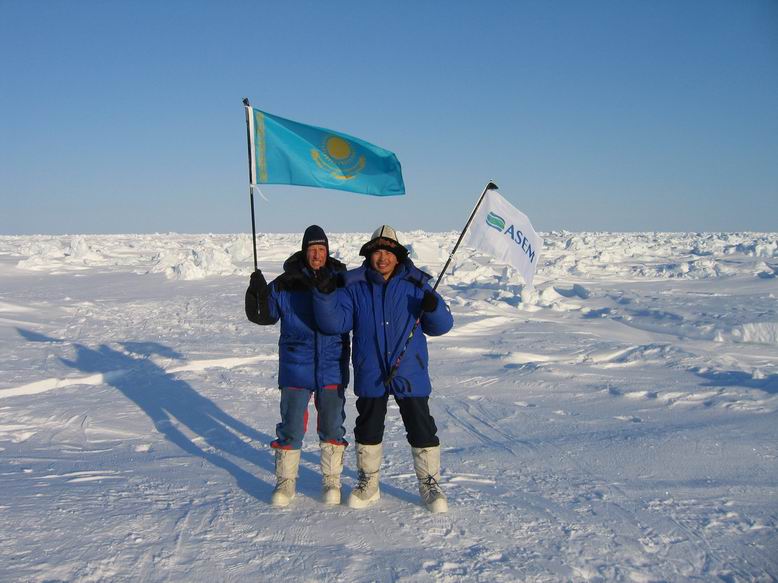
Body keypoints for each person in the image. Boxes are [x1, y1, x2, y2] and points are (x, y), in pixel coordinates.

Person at [313, 225, 453, 513]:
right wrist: (326, 296)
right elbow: (334, 323)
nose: (382, 258)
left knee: (421, 425)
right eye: (377, 251)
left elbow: (442, 326)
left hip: (409, 371)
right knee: (368, 425)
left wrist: (434, 306)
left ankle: (429, 483)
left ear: (398, 256)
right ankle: (369, 482)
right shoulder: (356, 286)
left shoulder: (415, 285)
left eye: (388, 252)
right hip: (371, 369)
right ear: (370, 255)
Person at [245, 225, 350, 507]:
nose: (317, 255)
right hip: (295, 364)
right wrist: (257, 293)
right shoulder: (286, 283)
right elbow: (264, 316)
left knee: (332, 425)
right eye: (312, 249)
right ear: (304, 251)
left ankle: (331, 480)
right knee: (291, 426)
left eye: (321, 249)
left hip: (331, 364)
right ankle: (286, 481)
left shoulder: (342, 280)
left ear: (328, 252)